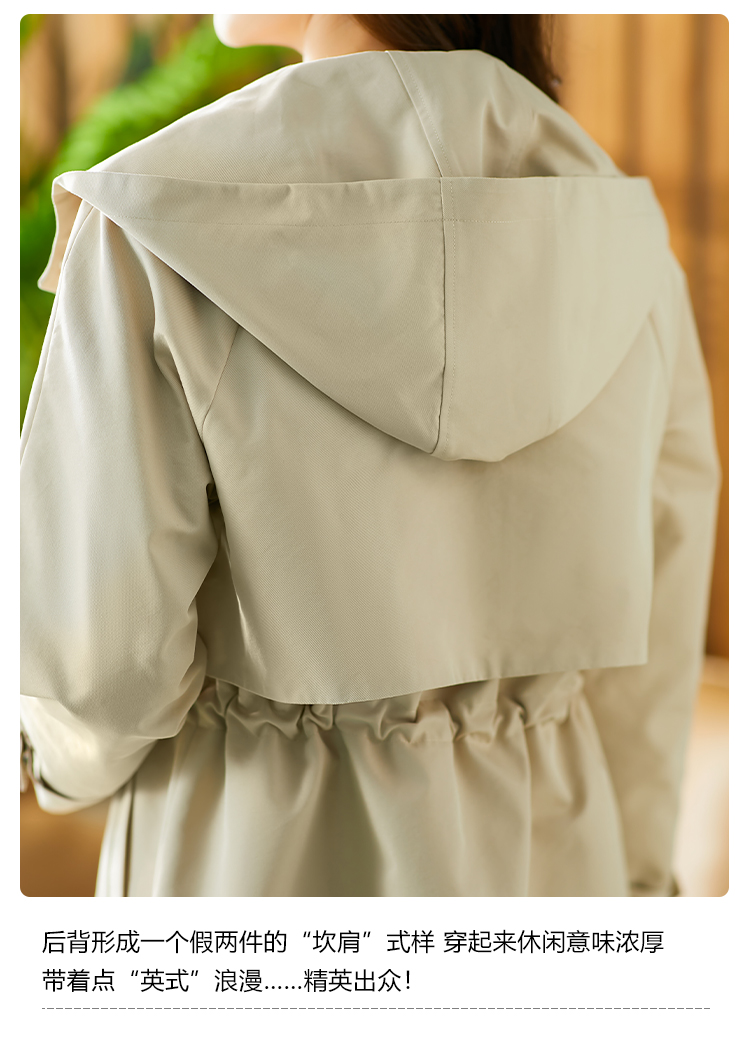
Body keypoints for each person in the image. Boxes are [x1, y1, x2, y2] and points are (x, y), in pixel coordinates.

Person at [20, 14, 720, 896]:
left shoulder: (154, 220)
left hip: (247, 863)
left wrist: (50, 766)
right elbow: (653, 650)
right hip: (555, 859)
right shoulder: (626, 234)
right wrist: (638, 883)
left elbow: (100, 673)